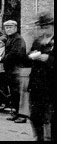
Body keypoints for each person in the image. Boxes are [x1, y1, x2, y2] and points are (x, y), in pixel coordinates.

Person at [27, 12, 54, 141]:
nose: (44, 30)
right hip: (37, 85)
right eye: (42, 27)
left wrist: (48, 59)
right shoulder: (38, 41)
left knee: (51, 117)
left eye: (47, 27)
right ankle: (39, 137)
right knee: (35, 115)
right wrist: (31, 55)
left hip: (51, 86)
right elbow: (28, 58)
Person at [1, 20, 29, 124]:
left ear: (16, 27)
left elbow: (15, 54)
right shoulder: (10, 38)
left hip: (18, 70)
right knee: (14, 93)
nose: (8, 29)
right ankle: (16, 113)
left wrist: (1, 59)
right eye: (6, 27)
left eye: (10, 27)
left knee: (19, 94)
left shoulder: (18, 39)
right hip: (12, 70)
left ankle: (22, 116)